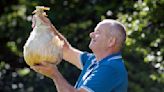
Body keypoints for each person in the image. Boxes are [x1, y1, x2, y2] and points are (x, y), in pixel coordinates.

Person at [31, 15, 128, 92]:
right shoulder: (93, 60)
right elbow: (65, 50)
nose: (91, 35)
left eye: (97, 32)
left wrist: (55, 75)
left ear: (111, 41)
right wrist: (47, 27)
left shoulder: (111, 68)